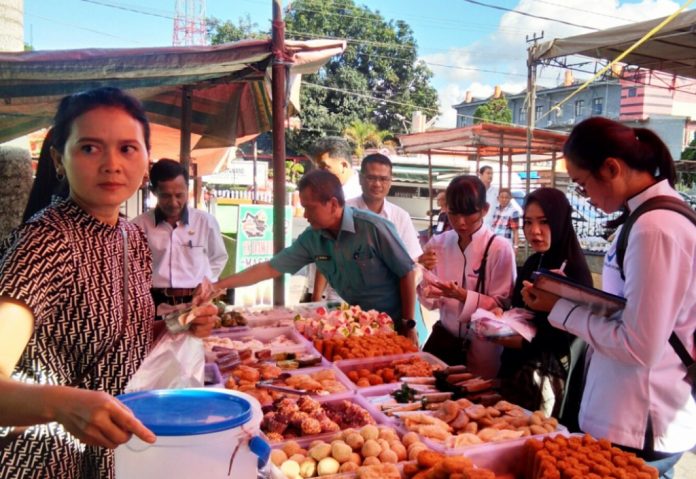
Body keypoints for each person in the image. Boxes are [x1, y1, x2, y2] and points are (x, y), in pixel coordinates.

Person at [0, 87, 217, 479]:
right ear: (58, 160)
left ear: (146, 163)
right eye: (89, 148)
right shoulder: (45, 242)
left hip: (110, 449)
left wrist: (179, 324)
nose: (111, 165)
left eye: (128, 149)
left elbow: (118, 337)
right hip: (41, 458)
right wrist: (62, 403)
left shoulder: (129, 237)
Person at [521, 117, 696, 478]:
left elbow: (639, 345)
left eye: (583, 185)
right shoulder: (645, 218)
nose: (586, 197)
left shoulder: (655, 228)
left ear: (612, 168)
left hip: (641, 421)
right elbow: (630, 311)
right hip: (629, 416)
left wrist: (562, 309)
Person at [210, 169, 418, 341]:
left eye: (310, 208)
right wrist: (219, 285)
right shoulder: (312, 238)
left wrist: (408, 325)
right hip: (359, 326)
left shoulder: (373, 227)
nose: (305, 215)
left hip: (396, 324)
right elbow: (270, 268)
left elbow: (407, 272)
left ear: (333, 204)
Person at [496, 187, 592, 419]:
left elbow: (568, 334)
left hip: (546, 380)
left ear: (560, 221)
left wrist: (513, 340)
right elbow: (519, 311)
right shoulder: (532, 262)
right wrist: (501, 318)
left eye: (544, 222)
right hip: (515, 374)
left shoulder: (574, 271)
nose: (534, 231)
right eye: (528, 222)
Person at [418, 175, 516, 377]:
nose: (460, 223)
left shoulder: (499, 248)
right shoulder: (438, 243)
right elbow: (429, 302)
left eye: (469, 214)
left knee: (476, 401)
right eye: (454, 214)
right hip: (446, 341)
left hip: (484, 348)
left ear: (485, 210)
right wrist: (423, 277)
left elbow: (503, 305)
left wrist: (463, 296)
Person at [133, 159, 228, 309]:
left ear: (187, 189)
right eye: (165, 196)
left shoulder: (206, 222)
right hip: (152, 302)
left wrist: (205, 283)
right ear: (154, 192)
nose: (173, 202)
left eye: (179, 195)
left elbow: (218, 258)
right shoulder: (138, 226)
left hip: (196, 301)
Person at [303, 137, 361, 302]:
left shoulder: (353, 202)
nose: (319, 174)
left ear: (343, 165)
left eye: (324, 167)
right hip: (321, 290)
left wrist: (316, 296)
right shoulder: (328, 194)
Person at [346, 153, 422, 259]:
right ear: (360, 179)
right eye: (371, 178)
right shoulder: (345, 211)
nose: (377, 184)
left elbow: (412, 258)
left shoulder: (401, 217)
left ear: (390, 181)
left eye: (383, 179)